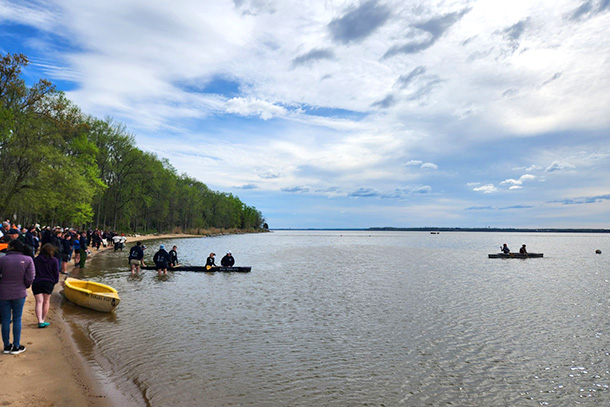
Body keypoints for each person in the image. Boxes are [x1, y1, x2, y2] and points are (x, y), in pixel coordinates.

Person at [0, 239, 35, 354]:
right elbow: (30, 277)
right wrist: (24, 285)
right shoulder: (28, 259)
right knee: (17, 319)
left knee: (5, 319)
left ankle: (6, 346)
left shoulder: (2, 259)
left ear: (11, 247)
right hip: (19, 292)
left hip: (3, 293)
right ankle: (16, 346)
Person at [32, 243, 60, 328]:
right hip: (48, 282)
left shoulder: (36, 260)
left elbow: (32, 271)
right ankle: (43, 319)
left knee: (39, 302)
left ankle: (39, 320)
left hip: (37, 282)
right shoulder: (54, 260)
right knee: (46, 301)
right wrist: (54, 281)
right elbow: (56, 273)